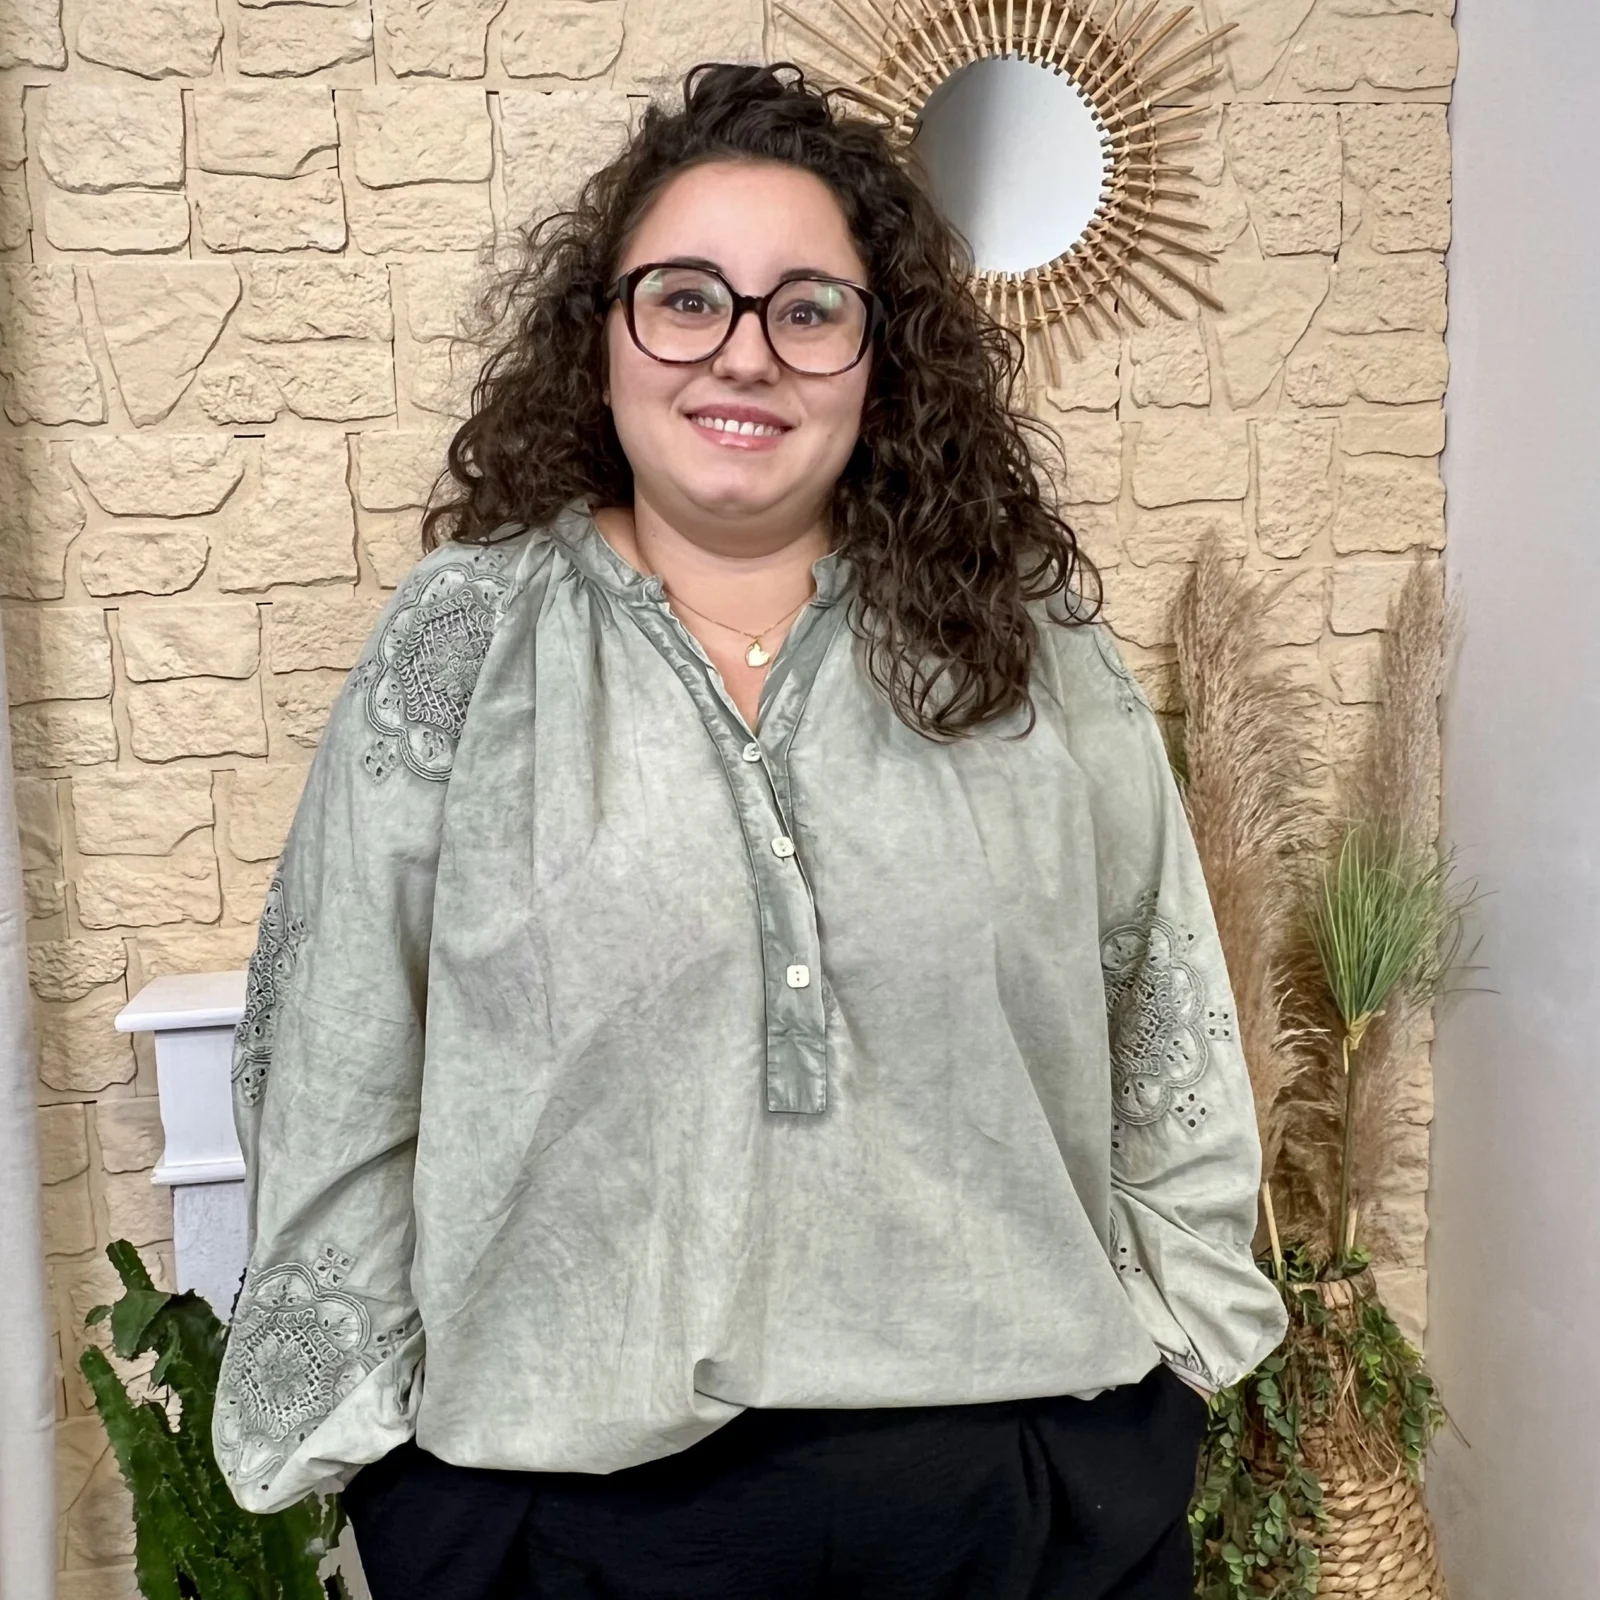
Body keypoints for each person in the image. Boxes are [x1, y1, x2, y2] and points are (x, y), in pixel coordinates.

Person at [212, 60, 1287, 1600]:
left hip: (1018, 1496)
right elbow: (334, 1049)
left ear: (880, 357)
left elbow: (1165, 998)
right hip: (557, 1519)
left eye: (809, 308)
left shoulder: (1026, 645)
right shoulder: (465, 641)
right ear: (600, 334)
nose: (745, 351)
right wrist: (387, 1466)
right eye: (686, 297)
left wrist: (1170, 1371)